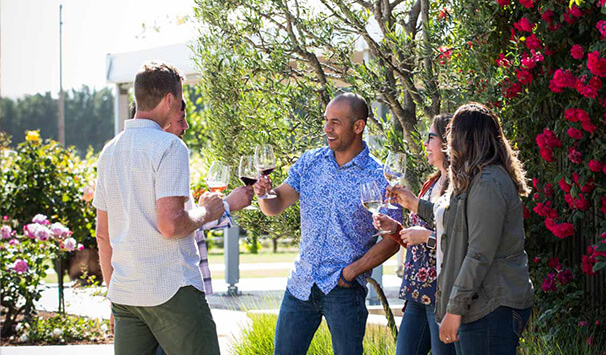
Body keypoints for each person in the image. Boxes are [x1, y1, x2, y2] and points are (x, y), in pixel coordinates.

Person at [254, 92, 401, 355]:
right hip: (301, 283)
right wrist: (264, 194)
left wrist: (351, 273)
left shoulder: (379, 177)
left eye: (336, 122)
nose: (327, 129)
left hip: (343, 290)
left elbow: (393, 241)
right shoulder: (310, 162)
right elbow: (275, 205)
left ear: (358, 127)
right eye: (325, 121)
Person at [94, 61, 225, 355]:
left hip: (127, 296)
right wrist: (208, 212)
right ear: (169, 100)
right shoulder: (169, 146)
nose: (179, 106)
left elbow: (102, 235)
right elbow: (171, 225)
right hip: (171, 290)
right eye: (179, 101)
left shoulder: (109, 152)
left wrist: (114, 296)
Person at [390, 102, 534, 355]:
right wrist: (413, 203)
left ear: (466, 138)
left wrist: (454, 309)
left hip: (491, 306)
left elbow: (479, 253)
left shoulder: (488, 183)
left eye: (451, 135)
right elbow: (452, 221)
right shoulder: (476, 178)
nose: (448, 143)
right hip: (479, 305)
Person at [154, 99, 254, 355]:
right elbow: (176, 226)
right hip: (172, 293)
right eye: (181, 119)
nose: (186, 126)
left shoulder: (129, 156)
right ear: (162, 115)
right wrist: (226, 205)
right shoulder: (169, 153)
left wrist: (216, 208)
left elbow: (185, 221)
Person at [374, 114, 455, 355]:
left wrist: (425, 235)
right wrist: (395, 229)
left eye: (431, 137)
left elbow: (459, 238)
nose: (425, 144)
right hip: (417, 291)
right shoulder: (430, 185)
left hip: (442, 294)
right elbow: (416, 241)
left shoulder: (458, 185)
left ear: (447, 142)